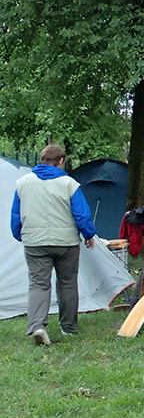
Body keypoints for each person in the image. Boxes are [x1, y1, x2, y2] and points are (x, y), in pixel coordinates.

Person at [10, 145, 96, 345]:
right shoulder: (69, 184)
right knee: (67, 283)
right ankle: (68, 327)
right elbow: (81, 214)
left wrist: (20, 235)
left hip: (35, 242)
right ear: (61, 161)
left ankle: (37, 326)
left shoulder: (23, 183)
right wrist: (88, 234)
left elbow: (16, 215)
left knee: (38, 284)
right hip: (66, 243)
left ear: (41, 160)